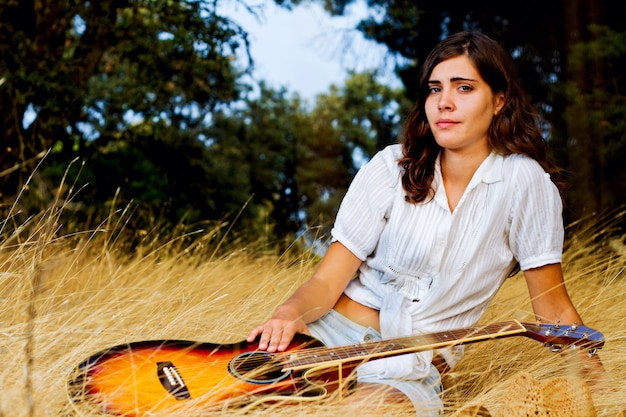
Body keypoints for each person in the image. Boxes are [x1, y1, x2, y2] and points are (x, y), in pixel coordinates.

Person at [246, 31, 603, 415]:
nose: (444, 103)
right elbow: (327, 282)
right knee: (236, 401)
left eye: (464, 88)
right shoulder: (390, 166)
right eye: (435, 89)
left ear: (499, 100)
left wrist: (603, 385)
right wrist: (288, 314)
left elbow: (551, 308)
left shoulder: (525, 182)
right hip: (330, 335)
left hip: (412, 362)